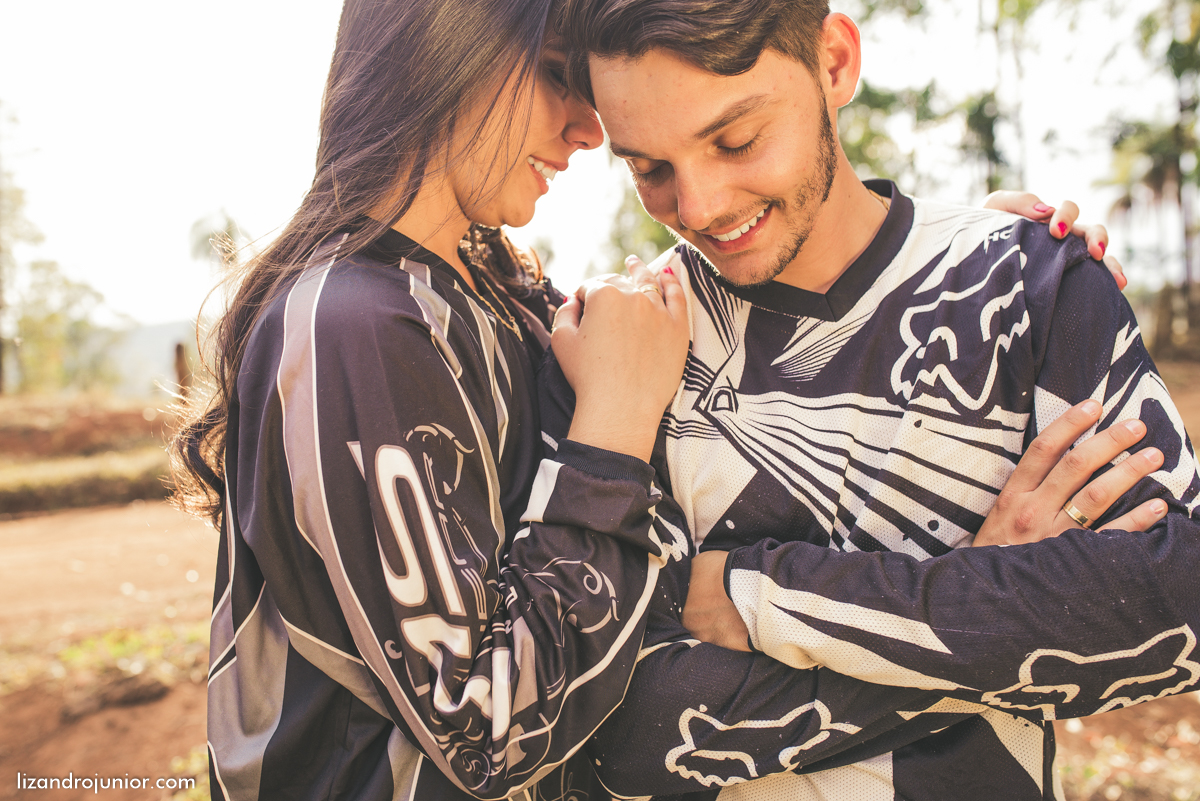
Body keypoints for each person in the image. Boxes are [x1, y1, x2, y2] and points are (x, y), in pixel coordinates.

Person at [171, 1, 1144, 799]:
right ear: (448, 49)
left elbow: (676, 323)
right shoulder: (349, 324)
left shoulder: (488, 288)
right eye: (560, 74)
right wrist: (967, 627)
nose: (589, 128)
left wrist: (958, 255)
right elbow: (495, 732)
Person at [534, 0, 1200, 798]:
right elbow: (614, 728)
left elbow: (1173, 611)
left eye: (737, 139)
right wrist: (984, 602)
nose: (701, 207)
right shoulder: (621, 345)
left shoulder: (1027, 286)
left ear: (835, 62)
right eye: (650, 170)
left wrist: (766, 597)